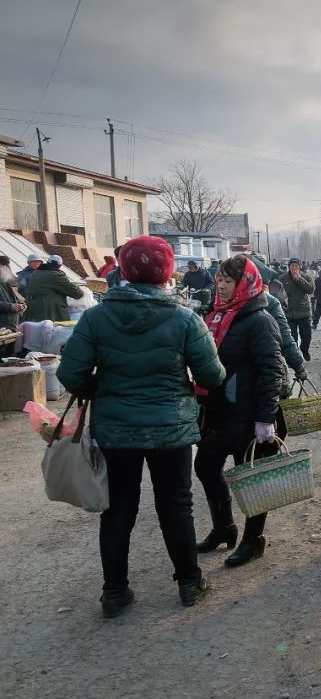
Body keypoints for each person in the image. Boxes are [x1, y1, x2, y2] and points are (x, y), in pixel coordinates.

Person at [57, 236, 226, 617]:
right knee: (176, 505)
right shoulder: (184, 318)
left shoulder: (97, 317)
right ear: (167, 272)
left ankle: (114, 593)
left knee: (117, 510)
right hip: (171, 429)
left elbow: (71, 373)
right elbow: (212, 375)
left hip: (117, 430)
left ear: (124, 270)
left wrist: (101, 389)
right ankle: (188, 582)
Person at [194, 255, 288, 567]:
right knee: (206, 467)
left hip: (249, 415)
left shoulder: (260, 320)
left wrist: (265, 417)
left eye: (228, 281)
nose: (220, 286)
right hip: (219, 410)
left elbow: (272, 370)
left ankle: (253, 539)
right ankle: (224, 529)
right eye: (219, 279)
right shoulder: (218, 314)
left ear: (244, 283)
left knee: (252, 479)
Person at [25, 255, 82, 322]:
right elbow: (77, 293)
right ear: (59, 266)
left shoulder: (36, 273)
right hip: (50, 315)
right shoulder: (56, 275)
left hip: (34, 314)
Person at [278, 258, 314, 361]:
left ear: (299, 267)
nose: (294, 268)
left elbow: (310, 290)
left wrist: (299, 279)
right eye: (292, 266)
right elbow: (278, 293)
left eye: (296, 266)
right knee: (292, 338)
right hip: (289, 313)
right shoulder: (282, 278)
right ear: (289, 267)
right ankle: (296, 356)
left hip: (304, 312)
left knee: (306, 337)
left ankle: (304, 349)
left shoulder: (305, 276)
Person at [0, 256, 26, 355]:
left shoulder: (4, 283)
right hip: (2, 326)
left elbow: (13, 299)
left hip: (12, 326)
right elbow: (9, 304)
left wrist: (20, 305)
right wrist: (10, 306)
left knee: (12, 355)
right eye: (3, 267)